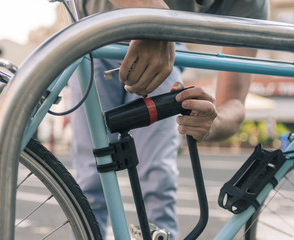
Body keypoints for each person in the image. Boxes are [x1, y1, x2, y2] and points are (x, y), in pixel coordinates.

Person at [70, 0, 269, 239]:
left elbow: (234, 101)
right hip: (95, 36)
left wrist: (212, 122)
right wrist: (156, 16)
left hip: (164, 48)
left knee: (158, 177)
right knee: (90, 181)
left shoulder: (250, 3)